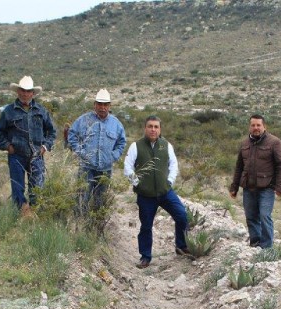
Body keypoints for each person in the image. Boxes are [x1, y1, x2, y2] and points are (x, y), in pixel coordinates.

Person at [124, 116, 190, 269]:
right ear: (145, 128)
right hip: (146, 196)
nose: (153, 129)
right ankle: (145, 257)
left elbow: (173, 164)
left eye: (156, 127)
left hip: (165, 192)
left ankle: (181, 246)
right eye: (150, 126)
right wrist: (137, 183)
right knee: (146, 226)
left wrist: (170, 181)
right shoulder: (136, 146)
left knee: (182, 215)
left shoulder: (166, 145)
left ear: (160, 129)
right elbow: (128, 167)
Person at [0, 76, 57, 210]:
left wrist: (45, 146)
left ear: (33, 93)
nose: (25, 94)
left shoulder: (41, 111)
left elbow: (51, 131)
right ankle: (20, 214)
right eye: (23, 90)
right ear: (18, 91)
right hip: (16, 155)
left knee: (37, 189)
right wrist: (7, 146)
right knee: (17, 187)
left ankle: (35, 213)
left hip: (37, 155)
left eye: (28, 91)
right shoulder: (9, 111)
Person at [229, 114, 281, 249]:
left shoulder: (274, 142)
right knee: (251, 216)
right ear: (249, 127)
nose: (256, 128)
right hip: (248, 187)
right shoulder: (244, 143)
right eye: (253, 125)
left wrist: (280, 187)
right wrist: (234, 187)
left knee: (264, 216)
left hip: (266, 187)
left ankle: (267, 248)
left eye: (258, 125)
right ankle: (255, 244)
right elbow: (239, 167)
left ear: (264, 126)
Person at [67, 89, 127, 215]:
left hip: (105, 169)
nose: (102, 107)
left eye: (105, 105)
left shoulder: (116, 124)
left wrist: (113, 156)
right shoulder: (83, 120)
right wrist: (80, 151)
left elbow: (122, 142)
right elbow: (71, 134)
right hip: (86, 167)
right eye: (100, 104)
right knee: (82, 198)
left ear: (109, 106)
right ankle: (80, 224)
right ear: (95, 104)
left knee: (100, 201)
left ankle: (96, 227)